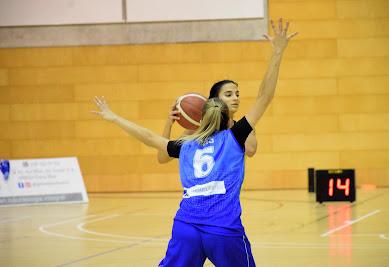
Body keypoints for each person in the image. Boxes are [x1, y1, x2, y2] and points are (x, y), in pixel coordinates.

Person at [92, 18, 297, 267]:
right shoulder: (234, 137)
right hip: (222, 229)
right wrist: (277, 52)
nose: (235, 98)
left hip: (186, 227)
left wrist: (114, 118)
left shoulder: (187, 144)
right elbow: (266, 96)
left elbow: (148, 138)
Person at [157, 79, 258, 164]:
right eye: (228, 95)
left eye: (237, 94)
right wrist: (168, 124)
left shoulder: (242, 128)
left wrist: (247, 127)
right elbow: (163, 158)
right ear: (216, 100)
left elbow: (251, 150)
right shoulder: (199, 130)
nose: (235, 98)